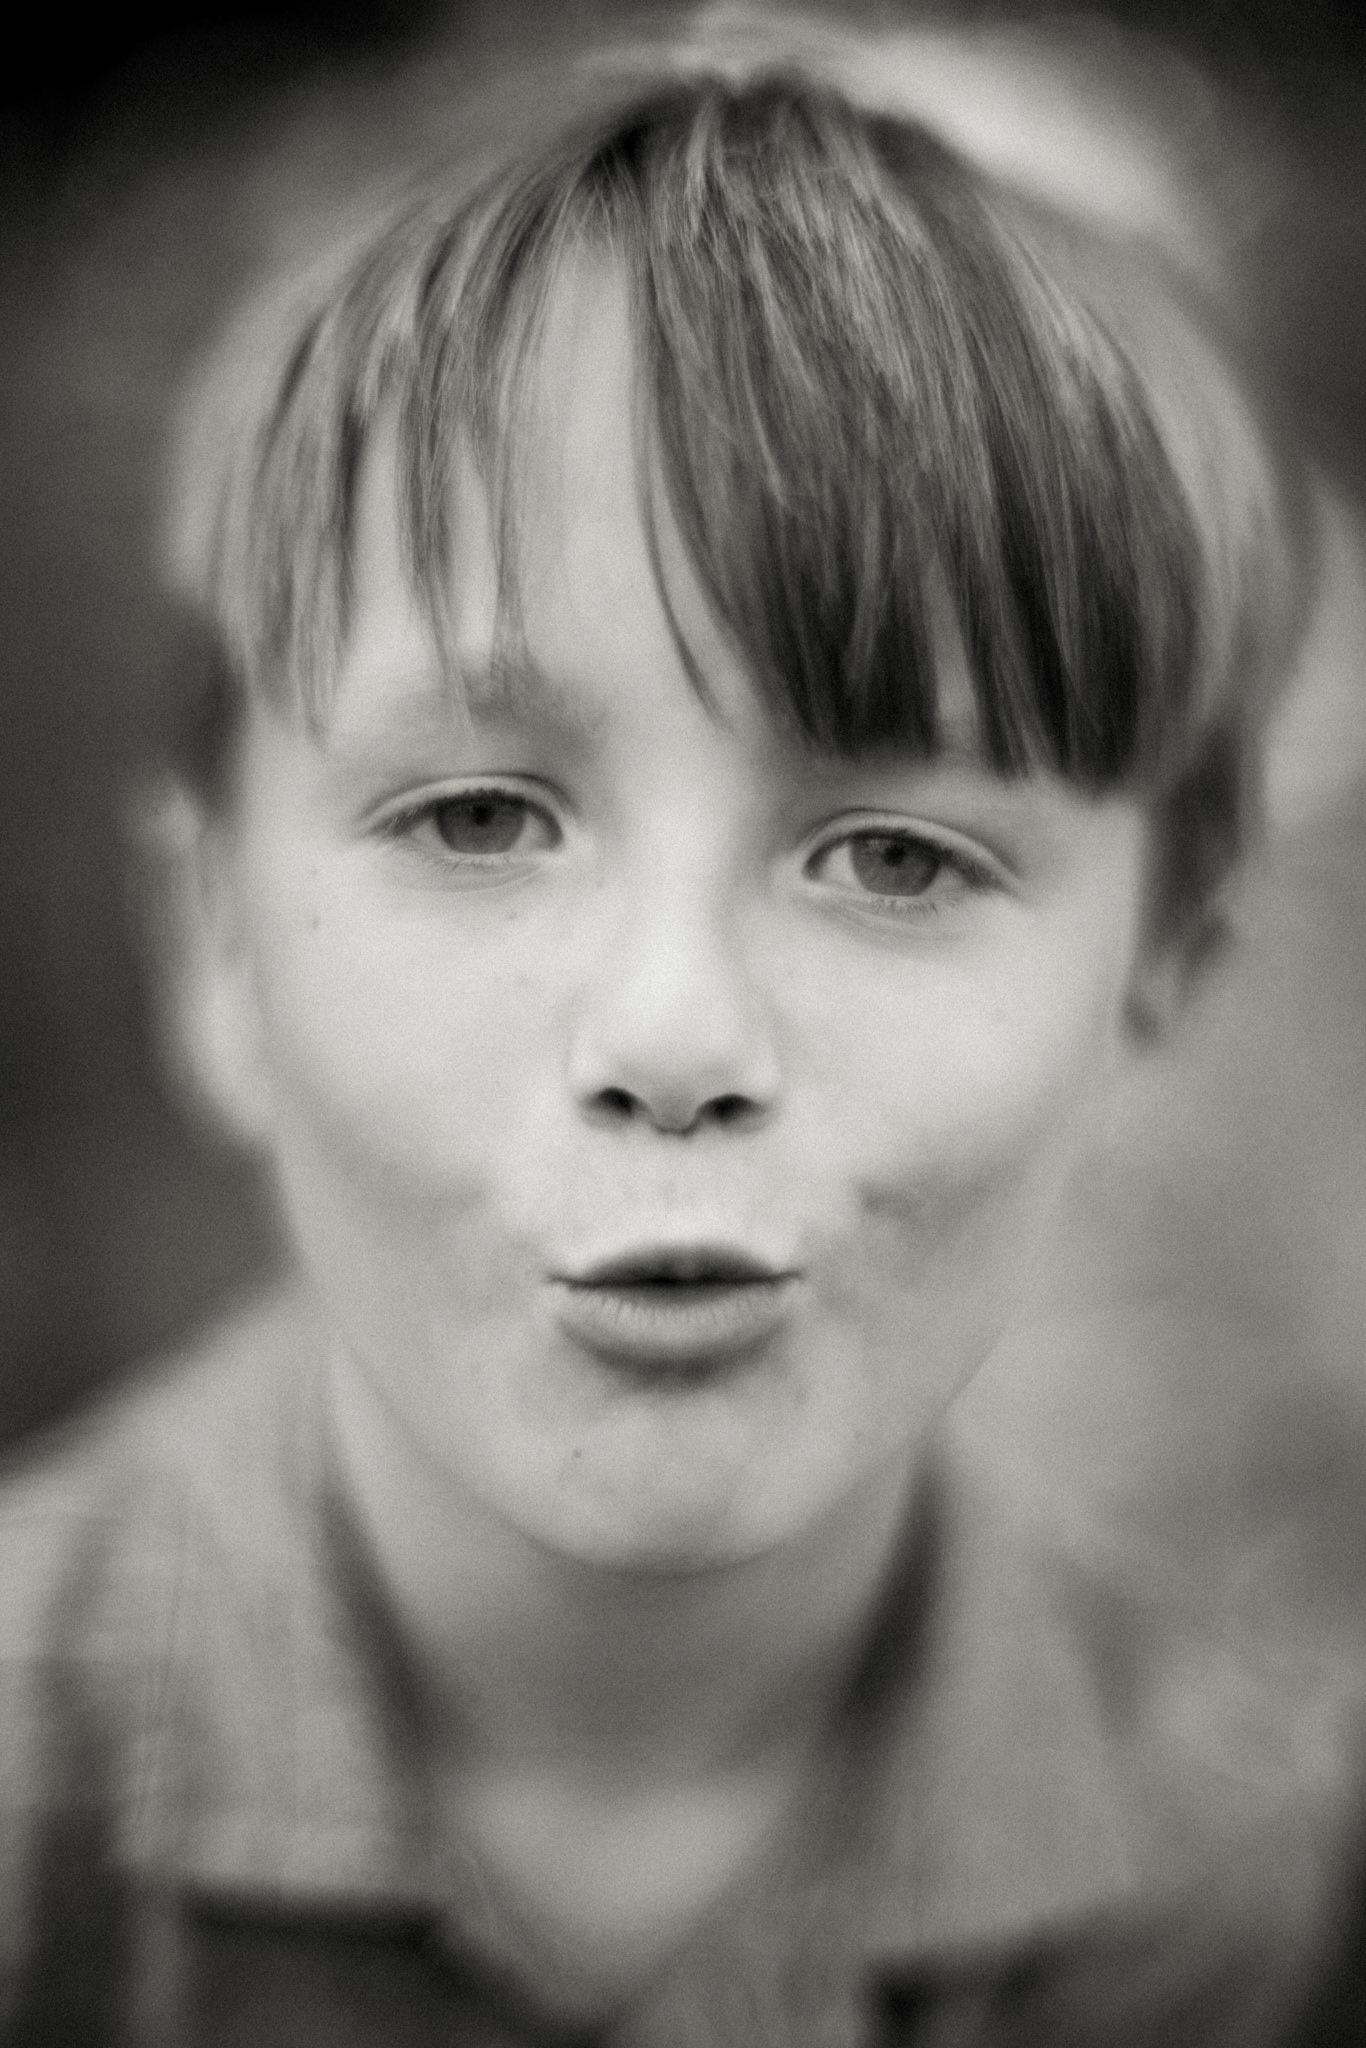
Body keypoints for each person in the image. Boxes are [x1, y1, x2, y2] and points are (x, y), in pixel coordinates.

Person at [0, 8, 1346, 2042]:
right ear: (218, 948)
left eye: (892, 856)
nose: (673, 1031)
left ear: (1153, 968)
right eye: (476, 818)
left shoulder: (1255, 1904)